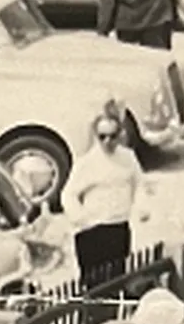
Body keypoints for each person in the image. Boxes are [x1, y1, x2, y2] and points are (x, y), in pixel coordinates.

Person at [59, 112, 146, 273]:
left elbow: (139, 184)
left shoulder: (128, 158)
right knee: (94, 283)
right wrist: (82, 219)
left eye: (112, 136)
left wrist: (140, 208)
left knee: (117, 277)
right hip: (92, 232)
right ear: (96, 136)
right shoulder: (87, 163)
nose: (107, 141)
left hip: (119, 227)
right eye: (102, 136)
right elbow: (68, 195)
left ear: (120, 135)